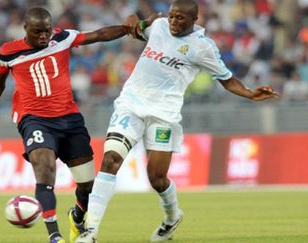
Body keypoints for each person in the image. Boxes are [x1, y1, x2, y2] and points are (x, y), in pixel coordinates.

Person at [75, 0, 279, 242]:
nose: (173, 21)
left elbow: (226, 78)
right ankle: (91, 230)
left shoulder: (203, 48)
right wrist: (132, 18)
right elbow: (135, 28)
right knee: (110, 160)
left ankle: (171, 218)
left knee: (157, 179)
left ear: (194, 20)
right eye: (171, 16)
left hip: (164, 114)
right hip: (130, 105)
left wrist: (249, 93)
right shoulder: (159, 25)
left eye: (180, 18)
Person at [0, 7, 139, 243]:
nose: (43, 36)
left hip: (70, 119)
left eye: (46, 31)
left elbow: (98, 35)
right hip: (34, 119)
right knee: (44, 167)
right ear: (25, 29)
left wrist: (129, 29)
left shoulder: (61, 38)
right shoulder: (8, 52)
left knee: (87, 185)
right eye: (37, 32)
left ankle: (77, 217)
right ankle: (55, 236)